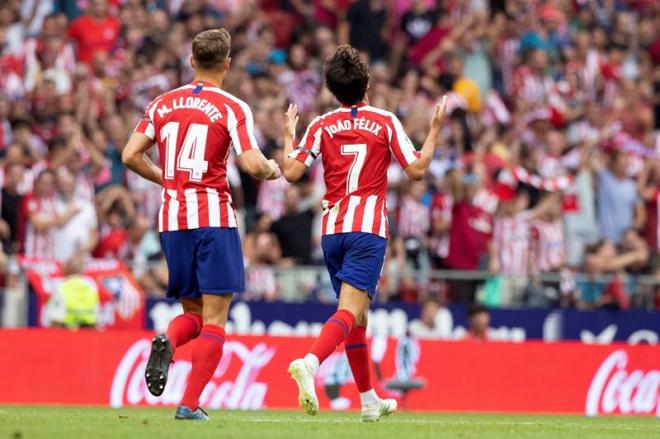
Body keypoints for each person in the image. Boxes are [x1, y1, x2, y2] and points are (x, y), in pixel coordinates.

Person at [121, 28, 280, 421]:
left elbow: (129, 155)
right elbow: (251, 163)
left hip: (173, 221)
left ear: (191, 61)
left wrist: (166, 178)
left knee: (194, 313)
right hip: (212, 218)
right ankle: (189, 404)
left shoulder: (161, 103)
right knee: (215, 319)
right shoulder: (233, 107)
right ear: (227, 63)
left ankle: (169, 341)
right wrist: (274, 168)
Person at [282, 44, 447, 421]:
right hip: (367, 230)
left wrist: (289, 135)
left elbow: (291, 173)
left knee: (358, 318)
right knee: (349, 312)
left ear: (331, 89)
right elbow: (417, 170)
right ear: (367, 82)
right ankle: (310, 362)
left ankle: (369, 400)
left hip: (332, 232)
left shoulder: (322, 124)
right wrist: (435, 131)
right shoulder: (385, 121)